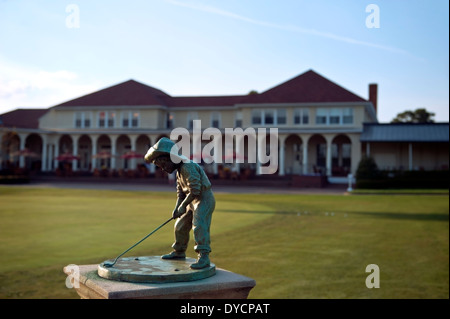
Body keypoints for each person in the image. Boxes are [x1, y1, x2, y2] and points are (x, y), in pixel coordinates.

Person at [144, 137, 215, 269]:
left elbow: (195, 190)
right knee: (180, 225)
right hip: (191, 200)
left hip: (203, 198)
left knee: (199, 225)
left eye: (164, 165)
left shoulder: (187, 166)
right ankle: (179, 251)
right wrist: (177, 207)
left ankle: (204, 256)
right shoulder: (178, 171)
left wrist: (183, 206)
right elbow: (181, 193)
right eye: (161, 167)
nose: (164, 169)